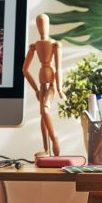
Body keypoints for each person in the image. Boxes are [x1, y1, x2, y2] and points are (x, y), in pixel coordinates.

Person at [22, 14, 64, 156]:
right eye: (39, 24)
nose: (42, 27)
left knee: (45, 110)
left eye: (44, 23)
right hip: (41, 84)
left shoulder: (54, 44)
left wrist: (59, 88)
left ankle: (55, 139)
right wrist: (34, 88)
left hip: (51, 84)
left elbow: (58, 68)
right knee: (42, 115)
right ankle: (47, 150)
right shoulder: (34, 46)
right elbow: (24, 70)